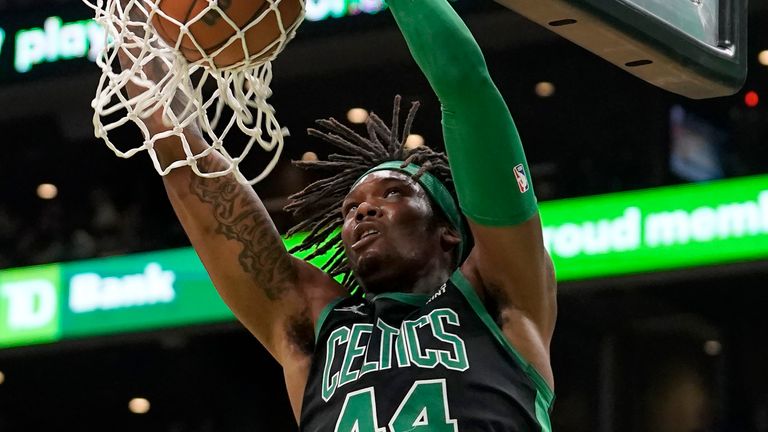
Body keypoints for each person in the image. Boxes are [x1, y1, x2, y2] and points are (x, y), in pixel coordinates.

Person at [123, 0, 556, 429]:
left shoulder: (499, 292)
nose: (364, 209)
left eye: (393, 193)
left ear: (448, 230)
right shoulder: (312, 323)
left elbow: (466, 84)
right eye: (350, 209)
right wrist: (133, 25)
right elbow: (186, 163)